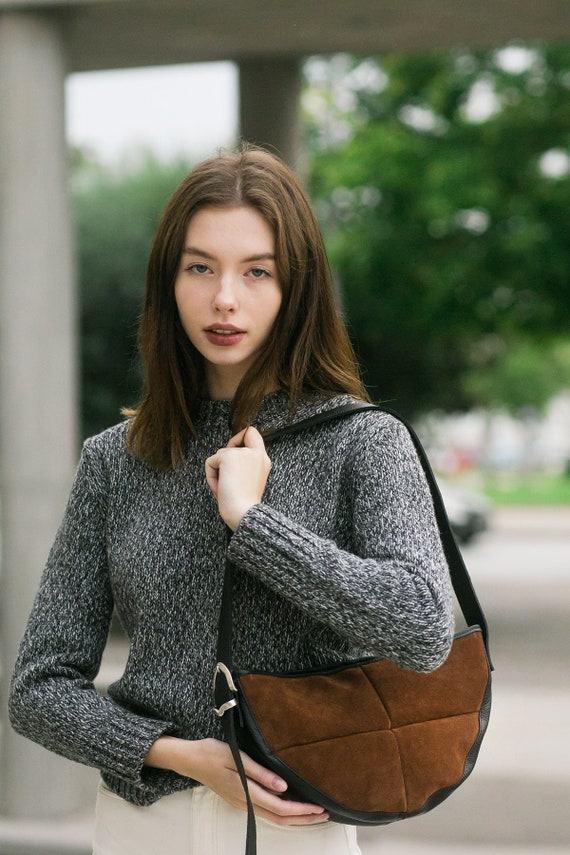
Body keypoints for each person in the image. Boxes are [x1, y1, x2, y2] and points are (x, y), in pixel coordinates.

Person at [9, 144, 455, 855]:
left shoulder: (364, 441)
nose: (225, 297)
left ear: (296, 287)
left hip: (297, 829)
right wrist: (178, 754)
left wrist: (255, 523)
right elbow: (37, 689)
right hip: (140, 828)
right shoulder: (113, 462)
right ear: (168, 282)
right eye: (200, 267)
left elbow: (424, 626)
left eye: (257, 271)